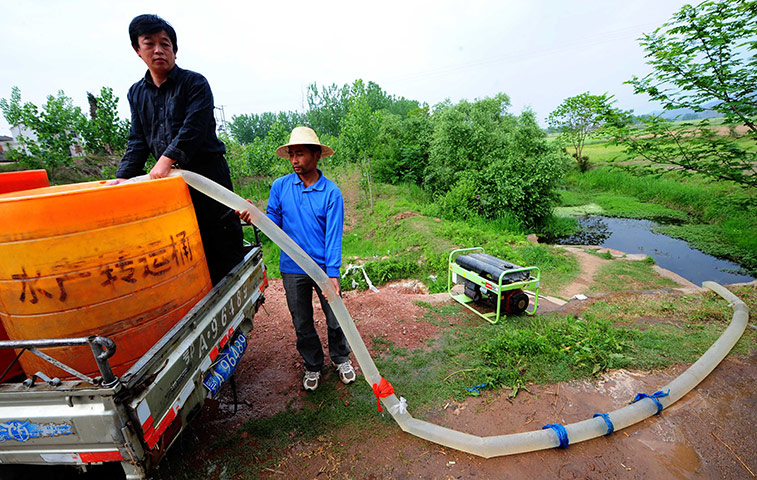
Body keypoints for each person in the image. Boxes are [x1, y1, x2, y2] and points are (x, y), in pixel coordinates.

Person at [110, 14, 244, 285]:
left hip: (207, 178)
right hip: (170, 185)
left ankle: (234, 314)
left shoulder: (194, 84)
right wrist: (124, 177)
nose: (159, 50)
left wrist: (166, 160)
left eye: (165, 43)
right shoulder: (136, 93)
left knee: (219, 239)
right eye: (150, 44)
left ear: (175, 49)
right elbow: (138, 139)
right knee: (181, 245)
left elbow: (193, 130)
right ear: (137, 50)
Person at [238, 127, 355, 391]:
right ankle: (313, 365)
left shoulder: (331, 193)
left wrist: (333, 272)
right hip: (292, 268)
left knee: (335, 316)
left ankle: (341, 358)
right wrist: (254, 215)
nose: (294, 161)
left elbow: (333, 236)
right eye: (291, 155)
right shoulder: (280, 187)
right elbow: (273, 225)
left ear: (316, 156)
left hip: (323, 268)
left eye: (300, 154)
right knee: (301, 321)